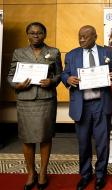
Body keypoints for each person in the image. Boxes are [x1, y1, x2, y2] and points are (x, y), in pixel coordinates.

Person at [61, 25, 112, 190]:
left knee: (102, 143)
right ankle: (85, 175)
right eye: (79, 36)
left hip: (101, 103)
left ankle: (101, 175)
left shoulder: (106, 52)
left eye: (85, 37)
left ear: (95, 36)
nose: (81, 40)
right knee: (83, 143)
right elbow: (64, 74)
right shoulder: (72, 55)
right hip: (82, 105)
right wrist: (68, 79)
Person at [7, 22, 62, 190]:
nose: (36, 35)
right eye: (32, 33)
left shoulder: (53, 52)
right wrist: (17, 85)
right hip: (25, 100)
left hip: (46, 100)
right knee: (26, 138)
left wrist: (52, 81)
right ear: (28, 35)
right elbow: (11, 75)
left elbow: (60, 74)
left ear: (45, 34)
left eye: (39, 33)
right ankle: (31, 173)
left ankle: (43, 172)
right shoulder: (19, 52)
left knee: (45, 137)